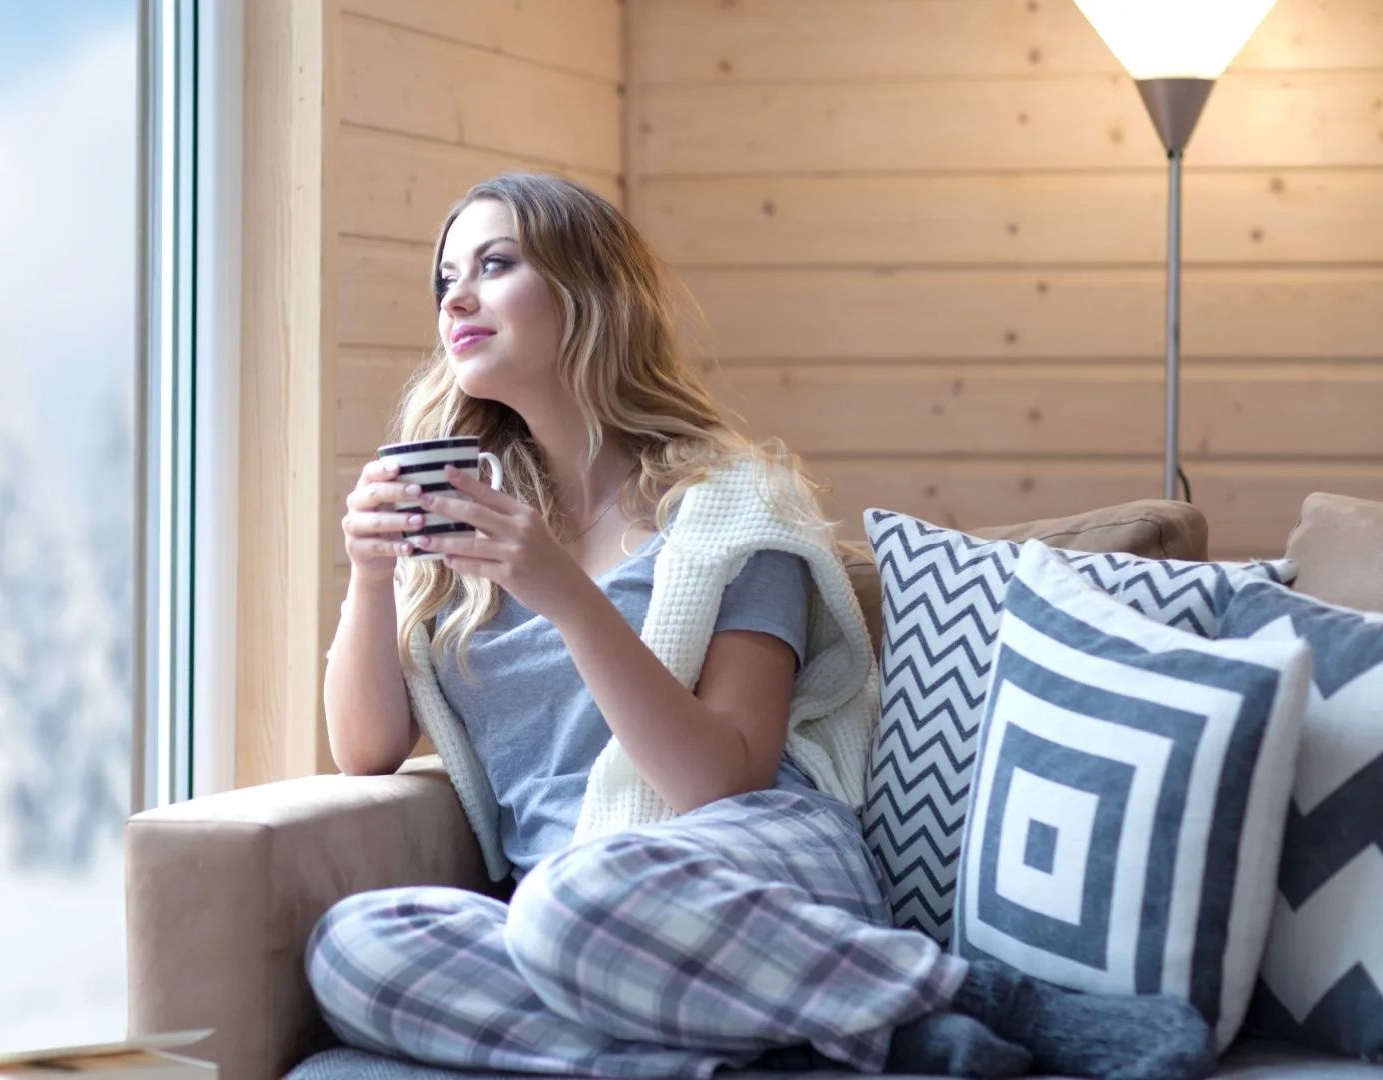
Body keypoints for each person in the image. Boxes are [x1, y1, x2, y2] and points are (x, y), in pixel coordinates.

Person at [305, 172, 1215, 1080]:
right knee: (353, 945)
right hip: (585, 917)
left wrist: (565, 593)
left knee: (574, 898)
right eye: (444, 280)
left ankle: (976, 996)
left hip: (752, 862)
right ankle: (827, 1048)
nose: (455, 297)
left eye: (495, 265)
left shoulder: (733, 509)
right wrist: (373, 574)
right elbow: (366, 749)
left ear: (589, 295)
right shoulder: (469, 524)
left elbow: (719, 778)